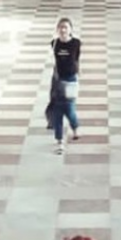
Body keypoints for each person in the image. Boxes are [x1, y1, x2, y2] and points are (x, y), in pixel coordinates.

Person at [49, 17, 80, 152]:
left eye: (65, 27)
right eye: (60, 27)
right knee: (57, 111)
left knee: (69, 109)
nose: (63, 30)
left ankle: (75, 126)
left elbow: (76, 59)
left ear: (70, 29)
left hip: (71, 80)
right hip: (58, 81)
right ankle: (60, 140)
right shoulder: (54, 43)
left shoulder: (76, 43)